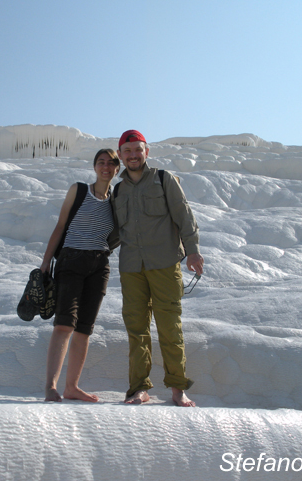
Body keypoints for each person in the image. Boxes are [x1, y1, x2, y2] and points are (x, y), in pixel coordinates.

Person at [112, 129, 204, 407]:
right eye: (127, 152)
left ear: (146, 152)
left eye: (137, 150)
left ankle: (178, 388)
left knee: (169, 327)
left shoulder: (164, 180)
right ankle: (139, 388)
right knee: (136, 329)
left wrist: (193, 251)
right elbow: (115, 231)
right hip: (131, 268)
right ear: (120, 155)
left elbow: (184, 215)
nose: (132, 155)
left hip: (164, 264)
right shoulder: (118, 190)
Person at [40, 148, 120, 402]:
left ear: (117, 169)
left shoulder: (116, 200)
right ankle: (50, 387)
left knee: (84, 329)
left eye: (110, 163)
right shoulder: (79, 190)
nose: (105, 167)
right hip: (71, 260)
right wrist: (45, 263)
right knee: (64, 323)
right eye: (101, 162)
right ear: (94, 166)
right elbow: (61, 225)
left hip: (99, 265)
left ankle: (71, 387)